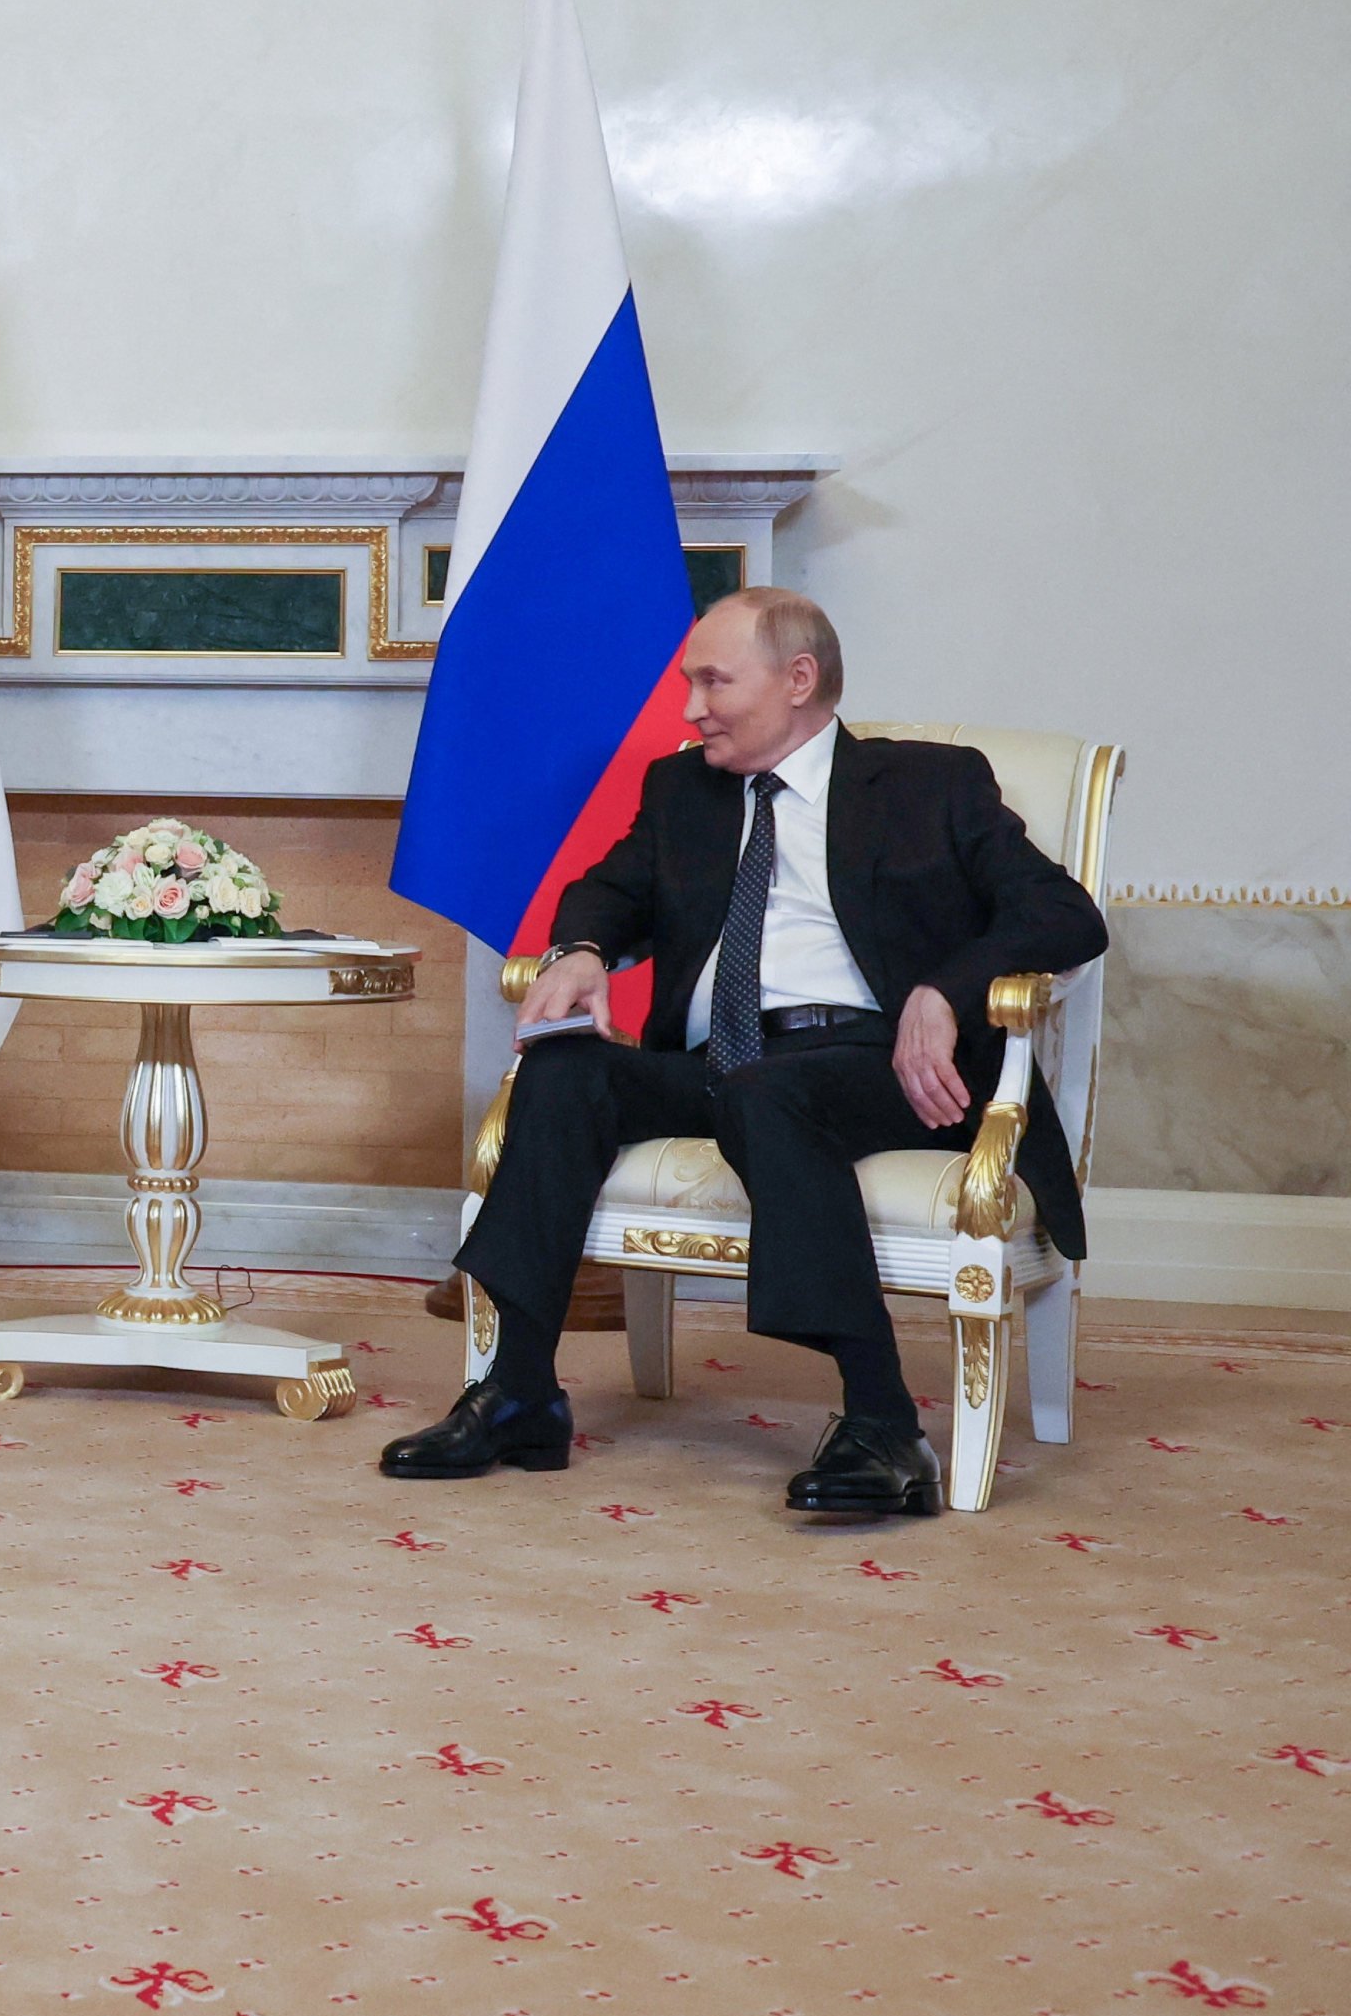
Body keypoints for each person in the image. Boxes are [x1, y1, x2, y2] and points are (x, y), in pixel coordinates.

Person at [387, 587, 1109, 1515]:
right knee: (564, 1068)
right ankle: (521, 1389)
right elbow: (606, 889)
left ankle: (885, 1424)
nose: (690, 707)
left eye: (713, 681)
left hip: (877, 1064)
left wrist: (946, 988)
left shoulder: (931, 784)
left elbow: (1064, 913)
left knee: (770, 1094)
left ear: (798, 679)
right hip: (721, 1066)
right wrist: (580, 950)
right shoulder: (682, 788)